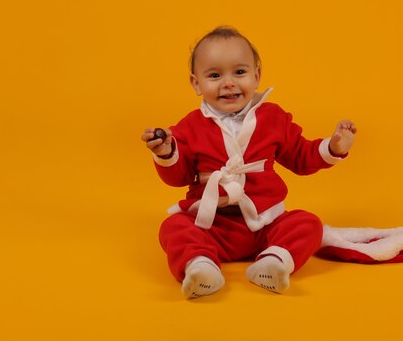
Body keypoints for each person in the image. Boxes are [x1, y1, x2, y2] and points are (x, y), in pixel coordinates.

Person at [141, 26, 357, 299]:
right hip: (212, 225)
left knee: (308, 223)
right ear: (196, 84)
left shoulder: (273, 118)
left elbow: (302, 157)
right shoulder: (189, 127)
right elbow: (178, 177)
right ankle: (201, 266)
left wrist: (334, 147)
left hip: (265, 224)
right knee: (173, 227)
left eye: (239, 72)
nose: (229, 83)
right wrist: (165, 152)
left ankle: (273, 262)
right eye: (215, 75)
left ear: (256, 76)